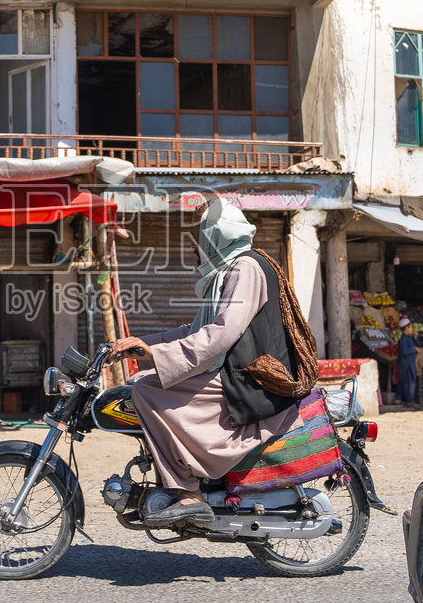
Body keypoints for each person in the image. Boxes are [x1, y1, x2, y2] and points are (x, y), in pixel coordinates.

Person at [109, 199, 317, 527]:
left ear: (216, 236)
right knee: (147, 384)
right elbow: (195, 331)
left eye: (200, 234)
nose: (194, 244)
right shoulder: (228, 270)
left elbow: (221, 334)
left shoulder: (245, 267)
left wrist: (156, 359)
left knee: (148, 390)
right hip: (238, 372)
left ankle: (188, 492)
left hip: (252, 380)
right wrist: (145, 344)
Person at [397, 318, 420, 407]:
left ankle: (398, 399)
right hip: (406, 362)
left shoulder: (408, 338)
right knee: (409, 381)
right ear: (406, 328)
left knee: (402, 381)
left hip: (406, 362)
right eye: (411, 327)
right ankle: (410, 401)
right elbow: (404, 351)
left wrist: (415, 338)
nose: (412, 329)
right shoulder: (404, 339)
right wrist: (414, 349)